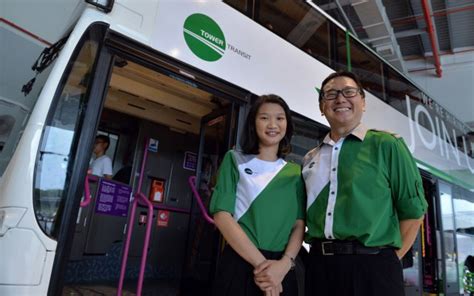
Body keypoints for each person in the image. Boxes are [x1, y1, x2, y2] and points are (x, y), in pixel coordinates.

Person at [302, 71, 428, 296]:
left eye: (349, 92)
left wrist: (386, 261)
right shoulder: (310, 158)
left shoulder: (387, 145)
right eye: (331, 94)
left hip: (374, 268)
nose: (340, 99)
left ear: (363, 102)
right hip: (319, 268)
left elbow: (414, 211)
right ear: (321, 107)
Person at [210, 95, 306, 296]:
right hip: (242, 261)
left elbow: (299, 224)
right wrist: (264, 268)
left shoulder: (296, 172)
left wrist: (283, 265)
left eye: (280, 118)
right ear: (253, 123)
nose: (273, 124)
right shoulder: (235, 159)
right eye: (264, 118)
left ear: (287, 125)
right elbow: (222, 215)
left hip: (283, 267)